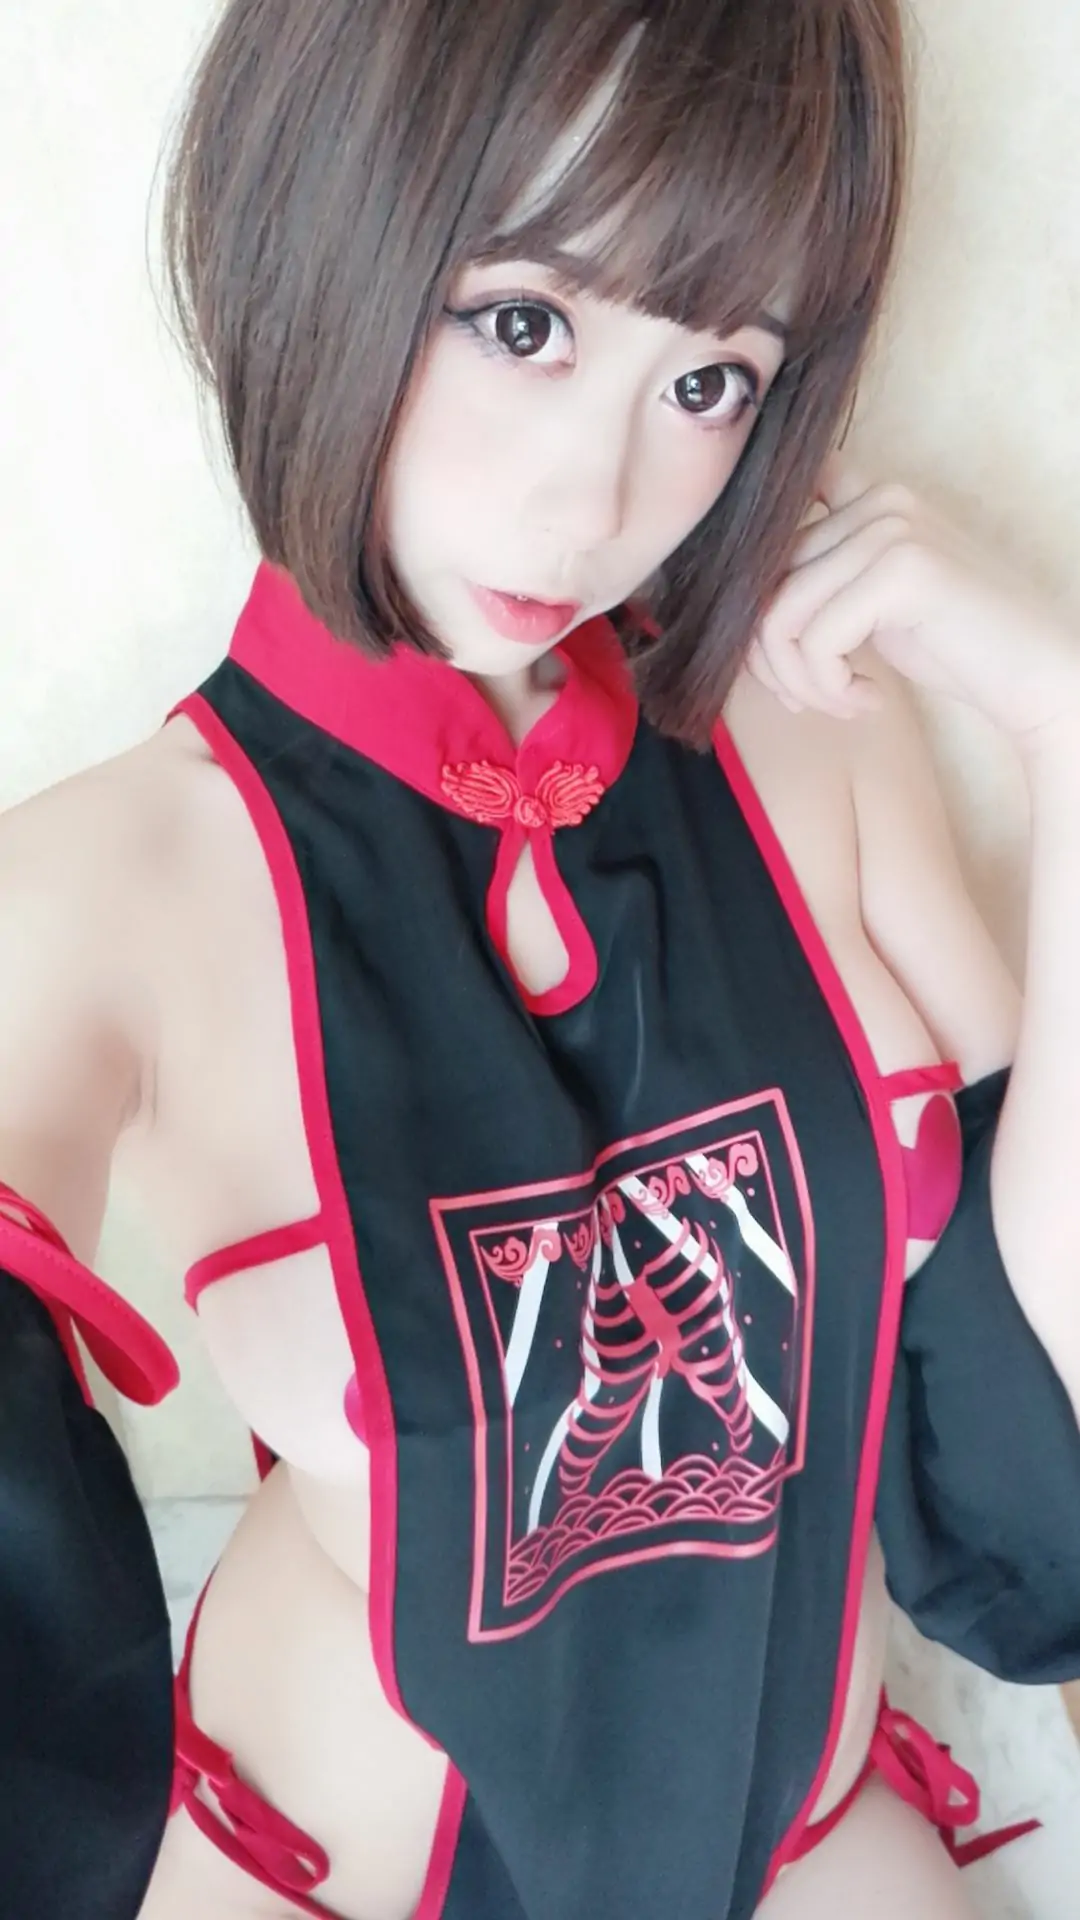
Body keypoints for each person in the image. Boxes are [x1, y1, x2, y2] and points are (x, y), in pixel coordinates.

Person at [2, 1, 1080, 1916]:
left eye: (711, 379)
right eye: (522, 324)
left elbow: (1030, 1412)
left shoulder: (811, 728)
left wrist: (1071, 731)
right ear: (325, 226)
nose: (597, 504)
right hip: (335, 1870)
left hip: (797, 1843)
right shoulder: (115, 877)